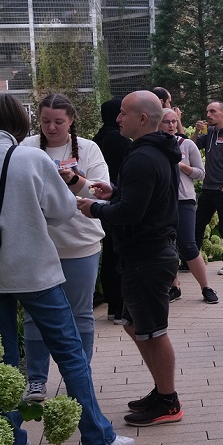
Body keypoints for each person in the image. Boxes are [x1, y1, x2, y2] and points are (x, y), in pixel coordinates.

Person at [0, 94, 133, 445]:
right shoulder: (32, 158)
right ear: (22, 122)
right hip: (34, 272)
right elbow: (62, 211)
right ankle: (96, 437)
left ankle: (10, 442)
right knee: (70, 352)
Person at [77, 90, 183, 427]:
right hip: (147, 252)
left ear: (142, 118)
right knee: (137, 326)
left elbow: (131, 213)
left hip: (147, 255)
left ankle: (168, 401)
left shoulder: (142, 157)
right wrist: (116, 193)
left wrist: (96, 208)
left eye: (123, 113)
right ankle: (162, 391)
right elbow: (144, 200)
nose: (117, 118)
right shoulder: (155, 150)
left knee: (153, 331)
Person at [17, 93, 108, 404]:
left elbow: (101, 192)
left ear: (71, 120)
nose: (51, 127)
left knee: (81, 314)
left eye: (58, 121)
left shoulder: (89, 148)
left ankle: (79, 378)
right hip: (39, 245)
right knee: (34, 316)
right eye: (45, 121)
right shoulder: (27, 147)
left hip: (81, 244)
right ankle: (36, 381)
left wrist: (74, 179)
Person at [161, 108, 219, 305]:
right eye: (166, 122)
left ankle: (206, 287)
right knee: (166, 245)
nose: (171, 125)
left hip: (184, 200)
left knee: (188, 244)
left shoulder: (187, 145)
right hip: (161, 202)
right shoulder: (153, 146)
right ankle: (174, 287)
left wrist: (181, 166)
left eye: (174, 121)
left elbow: (201, 174)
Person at [93, 97, 131, 324]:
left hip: (99, 200)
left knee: (108, 253)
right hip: (118, 199)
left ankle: (111, 305)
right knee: (120, 254)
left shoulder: (95, 140)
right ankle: (120, 307)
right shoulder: (122, 139)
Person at [193, 101, 223, 275]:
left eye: (212, 111)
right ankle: (192, 260)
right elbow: (192, 147)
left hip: (222, 190)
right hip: (208, 188)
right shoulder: (210, 132)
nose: (208, 115)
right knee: (198, 224)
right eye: (207, 111)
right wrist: (197, 131)